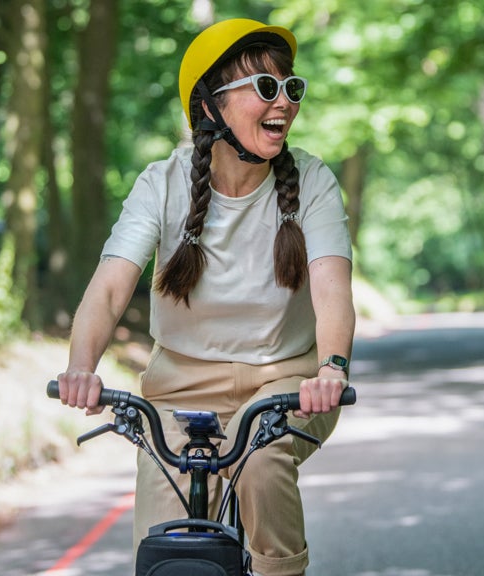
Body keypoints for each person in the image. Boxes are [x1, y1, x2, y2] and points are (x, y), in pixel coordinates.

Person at [57, 18, 355, 576]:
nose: (284, 102)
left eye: (291, 88)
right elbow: (112, 284)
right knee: (165, 550)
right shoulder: (160, 184)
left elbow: (332, 286)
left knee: (263, 462)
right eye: (265, 88)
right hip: (178, 391)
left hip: (285, 382)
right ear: (209, 108)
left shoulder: (312, 182)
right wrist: (81, 367)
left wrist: (332, 369)